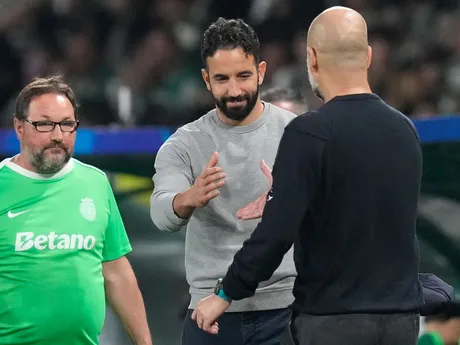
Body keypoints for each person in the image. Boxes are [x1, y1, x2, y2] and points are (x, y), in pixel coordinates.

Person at [192, 7, 424, 345]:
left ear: (311, 58)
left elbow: (274, 237)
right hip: (402, 322)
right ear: (369, 56)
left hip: (333, 322)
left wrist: (225, 293)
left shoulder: (310, 133)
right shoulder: (405, 130)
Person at [150, 17, 297, 345]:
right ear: (206, 80)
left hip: (286, 310)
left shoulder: (298, 133)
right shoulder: (184, 144)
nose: (234, 91)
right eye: (222, 79)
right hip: (210, 315)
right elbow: (161, 213)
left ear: (261, 71)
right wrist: (188, 197)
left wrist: (286, 198)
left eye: (243, 76)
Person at [0, 76, 152, 345]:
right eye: (44, 124)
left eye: (67, 124)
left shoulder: (95, 182)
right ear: (19, 128)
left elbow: (115, 271)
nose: (57, 136)